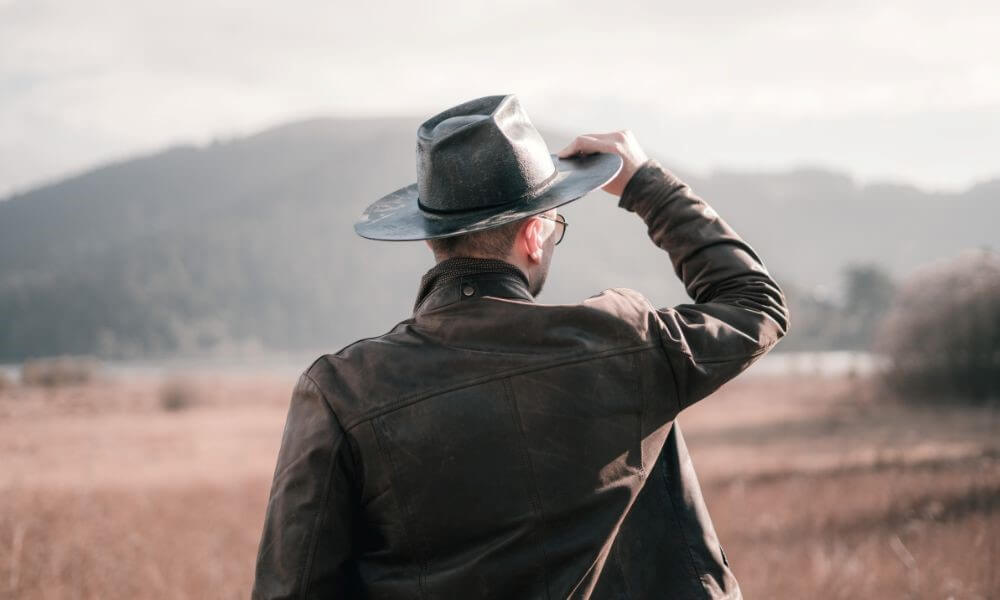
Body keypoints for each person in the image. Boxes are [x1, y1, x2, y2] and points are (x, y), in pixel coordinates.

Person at [252, 94, 789, 599]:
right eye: (556, 224)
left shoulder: (342, 390)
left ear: (433, 239)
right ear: (534, 234)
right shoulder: (624, 341)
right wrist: (644, 184)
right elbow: (754, 302)